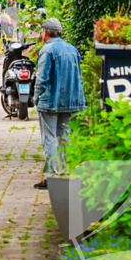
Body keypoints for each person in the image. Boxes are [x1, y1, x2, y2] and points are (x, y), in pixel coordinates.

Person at [33, 18, 85, 190]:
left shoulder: (47, 49)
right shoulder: (72, 49)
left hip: (50, 102)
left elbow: (42, 78)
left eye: (42, 31)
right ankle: (62, 173)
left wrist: (35, 97)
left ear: (46, 33)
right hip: (70, 101)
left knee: (50, 138)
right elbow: (79, 77)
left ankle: (51, 176)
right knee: (64, 137)